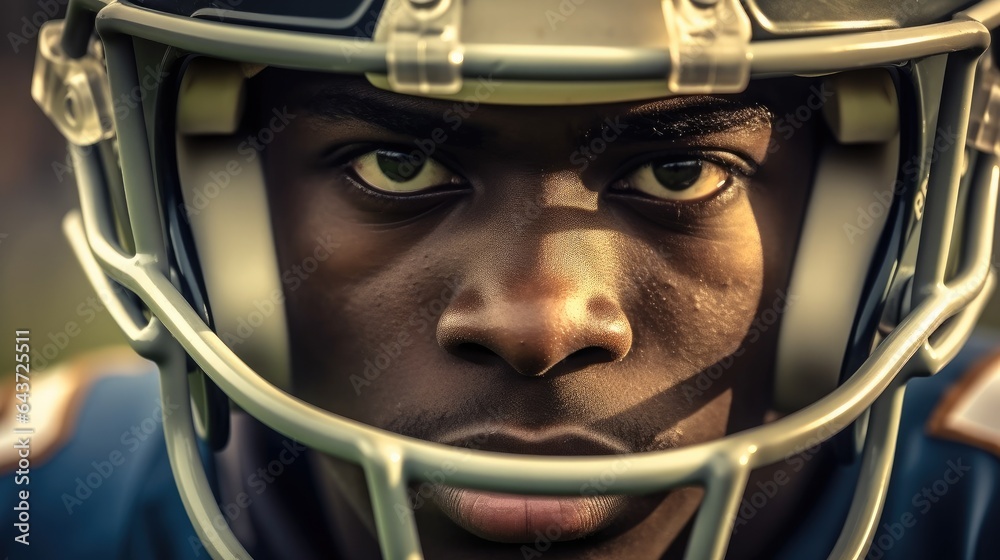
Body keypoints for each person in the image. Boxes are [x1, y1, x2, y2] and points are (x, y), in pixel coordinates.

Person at [3, 0, 1000, 558]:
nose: (539, 318)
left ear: (854, 222)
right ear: (213, 215)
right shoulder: (46, 515)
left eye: (679, 169)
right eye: (398, 166)